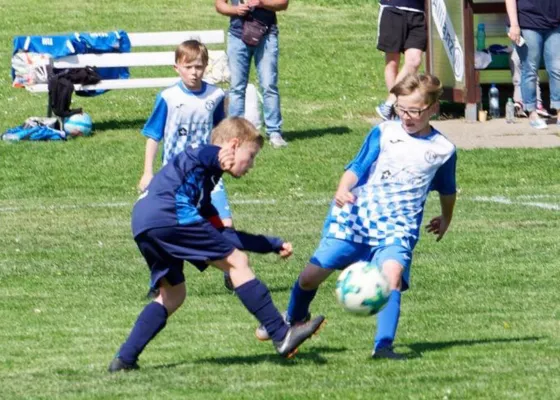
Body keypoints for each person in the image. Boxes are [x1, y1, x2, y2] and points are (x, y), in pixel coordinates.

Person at [255, 74, 457, 359]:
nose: (407, 117)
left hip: (397, 227)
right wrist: (342, 188)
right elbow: (357, 167)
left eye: (414, 110)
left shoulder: (443, 150)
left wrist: (446, 217)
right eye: (401, 108)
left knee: (392, 277)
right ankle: (292, 321)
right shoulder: (385, 132)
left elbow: (447, 189)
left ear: (433, 108)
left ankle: (383, 347)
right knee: (310, 277)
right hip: (356, 219)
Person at [108, 118, 325, 372]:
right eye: (251, 155)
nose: (251, 165)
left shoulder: (202, 191)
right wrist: (221, 156)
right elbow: (206, 154)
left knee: (172, 295)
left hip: (144, 221)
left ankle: (124, 359)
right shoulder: (207, 154)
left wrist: (271, 244)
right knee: (237, 262)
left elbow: (225, 236)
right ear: (234, 144)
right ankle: (280, 334)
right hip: (169, 213)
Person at [137, 40, 234, 291]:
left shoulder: (215, 96)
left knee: (225, 223)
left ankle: (232, 271)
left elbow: (219, 132)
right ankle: (165, 279)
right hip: (175, 179)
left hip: (208, 175)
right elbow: (153, 135)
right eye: (188, 67)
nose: (194, 72)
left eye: (199, 67)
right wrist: (148, 172)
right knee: (171, 228)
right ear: (176, 67)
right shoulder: (168, 97)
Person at [215, 0, 289, 148]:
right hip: (237, 35)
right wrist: (236, 10)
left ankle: (274, 132)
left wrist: (262, 3)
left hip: (267, 34)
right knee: (236, 87)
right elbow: (219, 5)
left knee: (269, 85)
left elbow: (283, 3)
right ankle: (235, 133)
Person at [506, 0, 560, 129]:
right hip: (527, 22)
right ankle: (532, 112)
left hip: (555, 23)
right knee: (530, 69)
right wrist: (514, 24)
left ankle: (559, 110)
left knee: (557, 68)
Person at [375, 0, 427, 121]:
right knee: (392, 63)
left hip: (418, 12)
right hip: (392, 8)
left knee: (414, 61)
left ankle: (390, 103)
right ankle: (396, 109)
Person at [509, 46, 550, 118]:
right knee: (531, 75)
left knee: (518, 77)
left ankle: (519, 102)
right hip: (529, 46)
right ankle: (537, 104)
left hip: (515, 48)